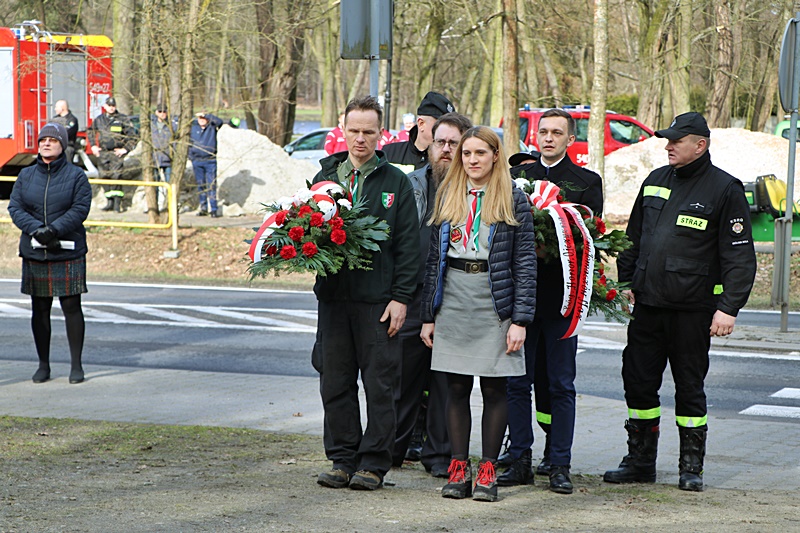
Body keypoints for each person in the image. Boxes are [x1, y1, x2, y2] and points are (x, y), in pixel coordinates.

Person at [603, 112, 757, 492]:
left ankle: (691, 467)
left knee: (689, 386)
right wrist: (626, 284)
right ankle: (640, 461)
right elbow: (632, 239)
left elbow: (739, 256)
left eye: (676, 141)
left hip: (693, 309)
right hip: (648, 306)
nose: (668, 146)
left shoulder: (725, 189)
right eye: (667, 140)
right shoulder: (655, 181)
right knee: (638, 382)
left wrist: (728, 308)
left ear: (700, 145)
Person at [420, 126, 536, 502]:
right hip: (454, 296)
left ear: (495, 156)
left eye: (480, 153)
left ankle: (487, 469)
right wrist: (428, 314)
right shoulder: (448, 193)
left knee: (494, 387)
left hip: (494, 299)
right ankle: (458, 467)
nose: (472, 160)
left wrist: (520, 320)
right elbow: (433, 260)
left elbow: (525, 263)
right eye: (466, 153)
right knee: (455, 387)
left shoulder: (512, 198)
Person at [312, 95, 420, 491]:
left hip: (378, 302)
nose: (360, 139)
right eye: (354, 130)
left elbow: (409, 246)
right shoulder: (325, 178)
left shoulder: (396, 182)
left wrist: (401, 298)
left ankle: (374, 463)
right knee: (335, 382)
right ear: (342, 129)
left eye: (368, 132)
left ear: (380, 133)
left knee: (380, 385)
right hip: (334, 299)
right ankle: (342, 459)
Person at [500, 108, 603, 494]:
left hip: (562, 298)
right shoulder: (516, 178)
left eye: (557, 133)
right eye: (543, 131)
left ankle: (559, 463)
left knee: (560, 384)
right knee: (516, 383)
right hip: (520, 300)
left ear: (570, 139)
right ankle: (519, 458)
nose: (548, 138)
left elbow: (589, 236)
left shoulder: (586, 182)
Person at [393, 112, 473, 478]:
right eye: (440, 142)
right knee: (402, 377)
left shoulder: (476, 189)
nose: (445, 149)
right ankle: (390, 449)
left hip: (455, 297)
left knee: (446, 381)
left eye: (454, 143)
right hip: (411, 295)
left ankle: (440, 455)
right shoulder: (409, 183)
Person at [8, 123, 92, 384]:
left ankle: (76, 366)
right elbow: (15, 207)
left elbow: (80, 208)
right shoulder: (26, 175)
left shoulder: (77, 176)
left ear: (62, 145)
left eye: (52, 140)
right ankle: (43, 365)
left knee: (71, 307)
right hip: (35, 250)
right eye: (43, 140)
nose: (46, 144)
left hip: (67, 249)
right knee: (40, 308)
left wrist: (54, 230)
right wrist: (37, 230)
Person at [382, 91, 455, 172]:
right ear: (421, 124)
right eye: (440, 126)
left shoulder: (449, 160)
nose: (446, 133)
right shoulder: (390, 153)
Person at [88, 97, 136, 212]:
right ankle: (109, 201)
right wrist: (93, 145)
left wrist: (125, 149)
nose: (111, 108)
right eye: (109, 106)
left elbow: (133, 136)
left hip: (116, 154)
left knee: (116, 177)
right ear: (105, 106)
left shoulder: (122, 119)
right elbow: (90, 131)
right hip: (103, 153)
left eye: (113, 106)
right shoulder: (100, 119)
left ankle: (117, 204)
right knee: (104, 176)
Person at [188, 110, 223, 217]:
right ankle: (203, 208)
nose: (202, 120)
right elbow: (189, 143)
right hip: (197, 160)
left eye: (203, 118)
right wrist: (191, 157)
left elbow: (220, 122)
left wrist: (206, 115)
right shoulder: (193, 128)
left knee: (211, 185)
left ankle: (213, 209)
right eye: (200, 118)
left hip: (210, 160)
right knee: (201, 185)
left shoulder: (212, 127)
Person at [150, 104, 174, 212]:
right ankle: (153, 207)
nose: (162, 114)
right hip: (154, 159)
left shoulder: (172, 126)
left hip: (168, 159)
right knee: (154, 185)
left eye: (164, 111)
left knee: (169, 185)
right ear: (156, 112)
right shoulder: (151, 125)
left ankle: (169, 207)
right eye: (160, 111)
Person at [50, 99, 78, 163]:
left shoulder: (72, 120)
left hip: (66, 148)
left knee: (65, 167)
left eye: (56, 107)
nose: (55, 109)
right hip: (55, 148)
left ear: (62, 108)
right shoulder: (54, 119)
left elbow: (66, 133)